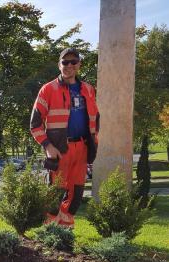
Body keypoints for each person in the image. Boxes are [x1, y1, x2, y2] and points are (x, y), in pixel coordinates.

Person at [30, 47, 99, 227]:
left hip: (82, 149)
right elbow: (35, 124)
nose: (69, 65)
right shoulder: (48, 89)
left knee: (76, 195)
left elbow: (95, 119)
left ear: (79, 65)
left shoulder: (89, 89)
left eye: (73, 62)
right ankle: (50, 231)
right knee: (55, 193)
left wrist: (93, 143)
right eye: (65, 62)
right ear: (59, 65)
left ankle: (65, 231)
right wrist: (48, 146)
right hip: (60, 150)